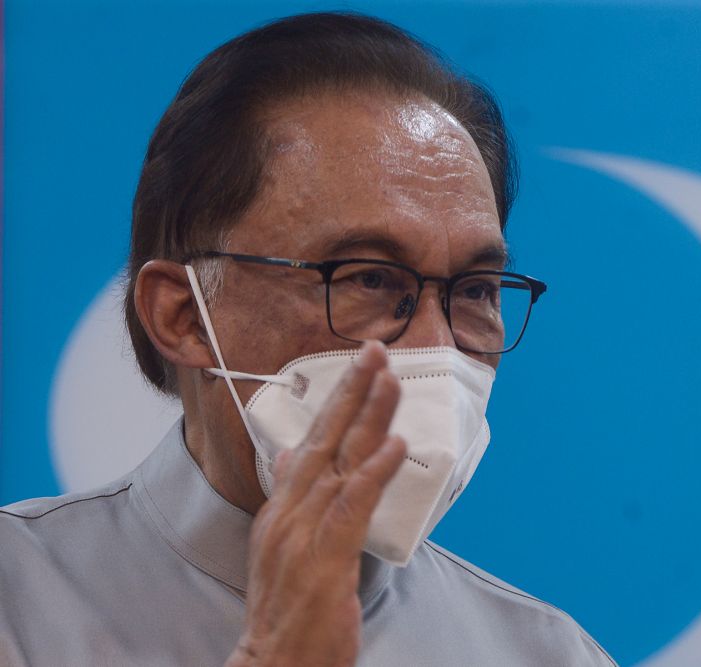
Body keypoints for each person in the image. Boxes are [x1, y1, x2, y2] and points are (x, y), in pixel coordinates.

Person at [0, 11, 615, 667]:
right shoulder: (19, 605)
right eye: (368, 278)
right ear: (183, 315)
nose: (435, 347)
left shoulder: (547, 652)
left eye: (473, 290)